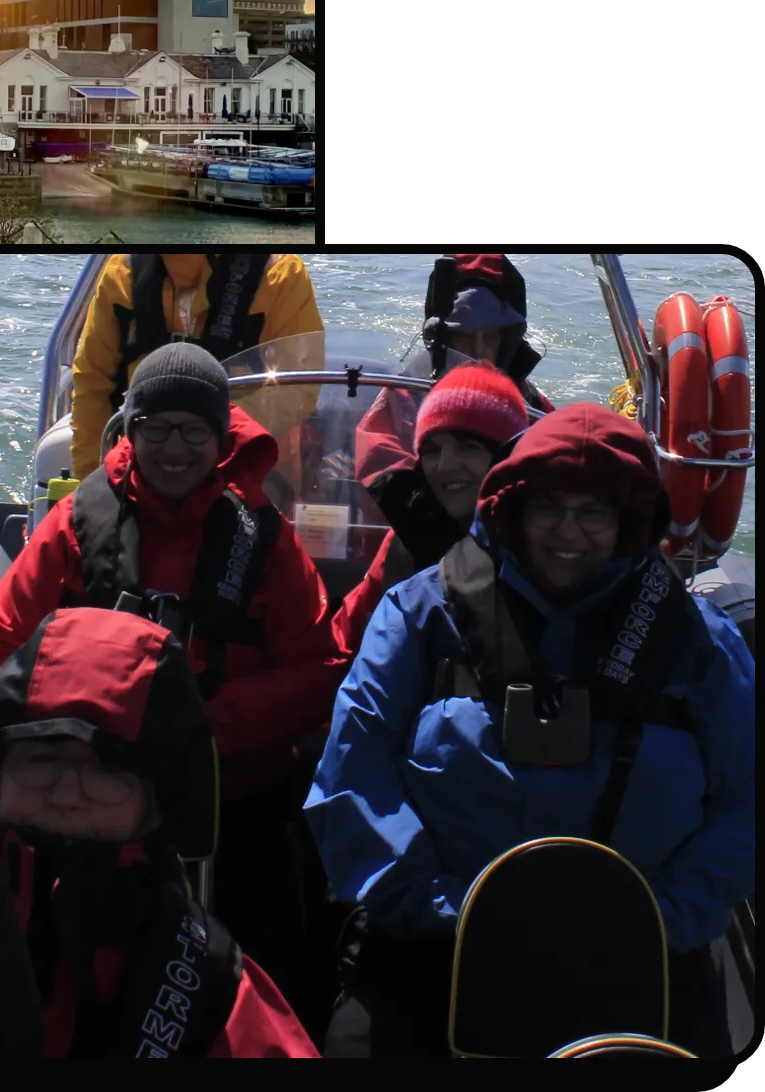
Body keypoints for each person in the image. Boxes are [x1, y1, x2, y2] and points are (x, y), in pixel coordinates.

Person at [306, 402, 755, 1059]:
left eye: (594, 513)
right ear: (513, 509)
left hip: (645, 948)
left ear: (630, 522)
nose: (567, 532)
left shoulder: (699, 645)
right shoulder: (420, 614)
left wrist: (661, 918)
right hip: (438, 940)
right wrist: (444, 910)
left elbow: (745, 801)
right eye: (548, 507)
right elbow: (351, 774)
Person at [0, 342, 345, 1023]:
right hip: (82, 805)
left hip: (238, 804)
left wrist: (205, 732)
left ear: (222, 435)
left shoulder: (264, 538)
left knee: (276, 972)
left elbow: (320, 666)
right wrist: (89, 733)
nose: (175, 448)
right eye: (157, 429)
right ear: (130, 430)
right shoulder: (73, 526)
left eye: (194, 431)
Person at [0, 607, 320, 1057]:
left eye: (109, 770)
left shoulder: (207, 981)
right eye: (41, 760)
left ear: (155, 807)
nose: (66, 793)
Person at [333, 363, 531, 667]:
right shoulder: (406, 538)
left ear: (506, 455)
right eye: (433, 450)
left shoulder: (542, 542)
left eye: (467, 447)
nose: (445, 465)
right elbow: (343, 643)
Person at [68, 252, 323, 482]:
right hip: (140, 469)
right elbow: (93, 386)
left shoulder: (280, 274)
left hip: (245, 472)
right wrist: (91, 482)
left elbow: (298, 388)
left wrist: (204, 436)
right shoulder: (121, 272)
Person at [355, 253, 555, 489]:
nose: (478, 350)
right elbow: (380, 466)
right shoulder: (405, 394)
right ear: (444, 339)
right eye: (465, 337)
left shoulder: (531, 403)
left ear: (507, 343)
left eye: (490, 338)